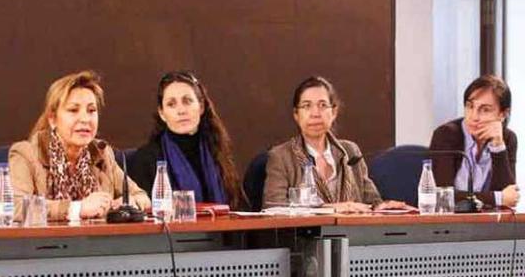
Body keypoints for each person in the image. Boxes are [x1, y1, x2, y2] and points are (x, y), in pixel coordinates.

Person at [9, 70, 150, 221]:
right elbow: (15, 207)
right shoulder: (26, 154)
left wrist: (127, 203)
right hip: (46, 244)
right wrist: (77, 208)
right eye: (73, 110)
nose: (85, 119)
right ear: (52, 119)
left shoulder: (101, 153)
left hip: (97, 243)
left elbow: (141, 196)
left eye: (91, 110)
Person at [263, 76, 412, 213]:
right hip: (305, 238)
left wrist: (382, 206)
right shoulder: (281, 156)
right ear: (296, 114)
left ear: (334, 112)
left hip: (353, 235)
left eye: (322, 105)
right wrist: (330, 209)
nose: (315, 113)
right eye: (307, 106)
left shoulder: (350, 151)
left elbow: (371, 200)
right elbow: (274, 207)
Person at [128, 71, 247, 210]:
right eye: (171, 104)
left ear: (201, 107)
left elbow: (240, 207)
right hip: (176, 231)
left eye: (187, 101)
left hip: (223, 229)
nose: (181, 110)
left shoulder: (217, 150)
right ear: (162, 113)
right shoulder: (146, 159)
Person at [430, 74, 518, 208]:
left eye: (485, 110)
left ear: (503, 114)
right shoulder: (445, 135)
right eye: (470, 106)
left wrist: (498, 146)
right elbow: (443, 196)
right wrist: (496, 198)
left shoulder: (508, 139)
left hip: (487, 223)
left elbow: (509, 197)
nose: (474, 116)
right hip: (447, 222)